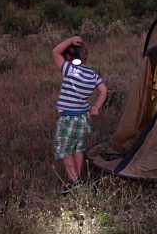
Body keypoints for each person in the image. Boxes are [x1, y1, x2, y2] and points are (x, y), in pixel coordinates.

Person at [51, 35, 108, 194]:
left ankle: (75, 182)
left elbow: (55, 52)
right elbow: (104, 90)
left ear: (69, 57)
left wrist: (70, 40)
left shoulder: (70, 69)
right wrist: (96, 106)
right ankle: (75, 178)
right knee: (78, 148)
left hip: (69, 118)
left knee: (64, 148)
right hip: (84, 118)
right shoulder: (92, 74)